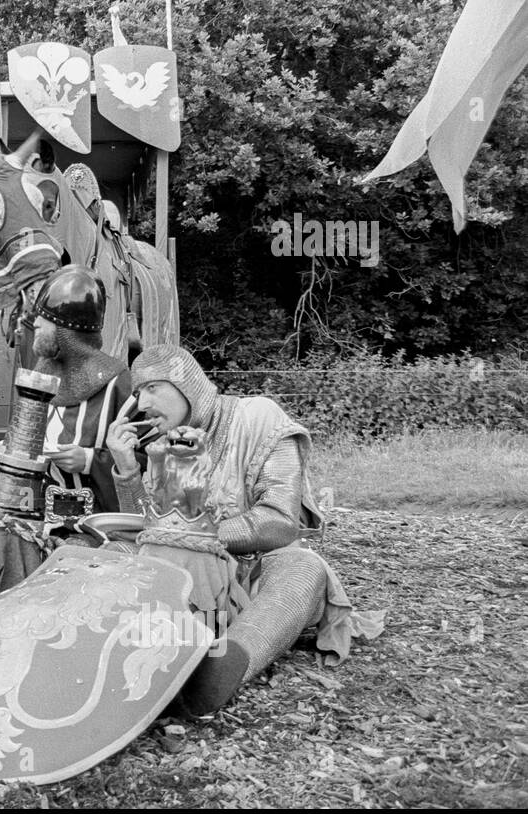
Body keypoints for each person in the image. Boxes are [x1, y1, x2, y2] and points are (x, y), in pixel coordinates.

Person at [104, 344, 377, 715]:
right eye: (137, 393)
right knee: (106, 556)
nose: (142, 403)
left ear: (187, 384)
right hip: (182, 579)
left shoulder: (258, 416)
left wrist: (203, 538)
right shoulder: (161, 446)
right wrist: (126, 470)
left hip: (251, 578)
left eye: (152, 387)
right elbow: (146, 535)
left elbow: (281, 522)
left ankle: (220, 671)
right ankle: (125, 657)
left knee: (303, 568)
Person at [30, 265, 134, 516]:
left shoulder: (118, 383)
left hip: (94, 521)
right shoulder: (41, 374)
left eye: (43, 321)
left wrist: (89, 461)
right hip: (34, 510)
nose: (34, 324)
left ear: (66, 330)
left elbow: (146, 460)